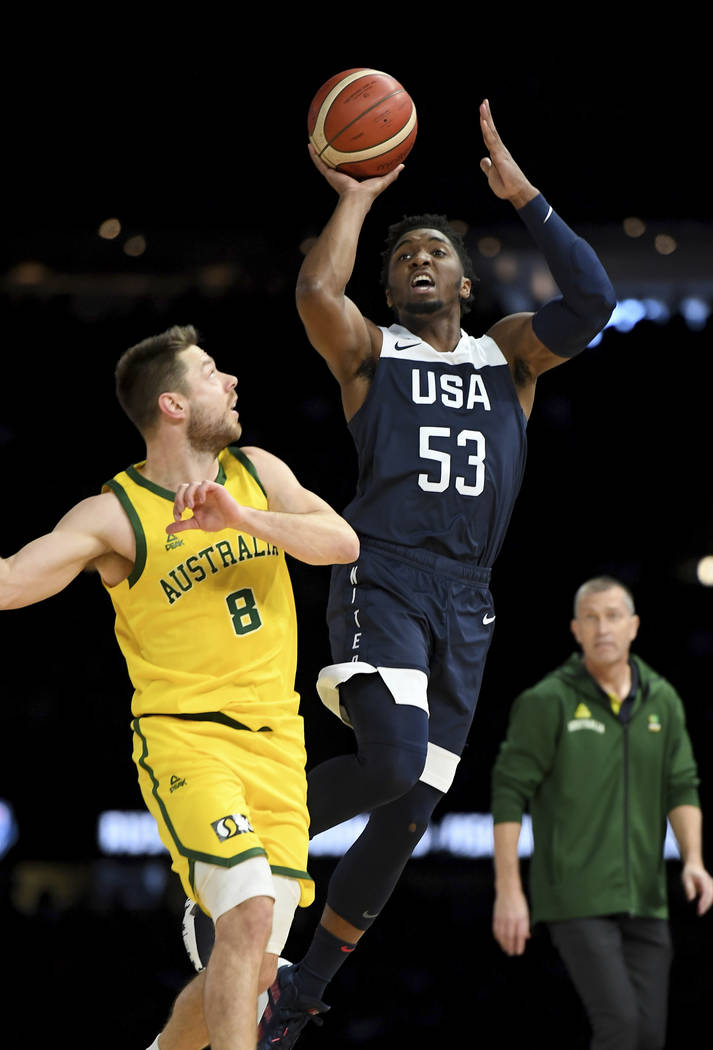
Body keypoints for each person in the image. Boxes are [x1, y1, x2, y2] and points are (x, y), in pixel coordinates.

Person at [250, 98, 617, 1047]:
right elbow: (315, 299)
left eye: (436, 251)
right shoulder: (372, 353)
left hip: (470, 601)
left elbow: (593, 304)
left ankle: (300, 991)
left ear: (464, 278)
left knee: (406, 813)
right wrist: (360, 199)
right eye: (403, 254)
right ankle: (246, 850)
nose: (419, 259)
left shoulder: (511, 356)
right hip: (389, 575)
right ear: (393, 283)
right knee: (391, 759)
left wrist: (527, 196)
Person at [0, 324, 359, 1050]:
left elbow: (342, 544)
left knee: (254, 966)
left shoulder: (258, 471)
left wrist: (242, 517)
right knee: (250, 913)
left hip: (278, 745)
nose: (230, 382)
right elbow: (9, 583)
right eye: (210, 372)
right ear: (171, 404)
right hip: (187, 739)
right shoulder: (115, 514)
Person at [491, 576, 713, 1049]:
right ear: (575, 629)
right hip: (575, 896)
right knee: (620, 1026)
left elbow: (682, 785)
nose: (602, 627)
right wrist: (508, 890)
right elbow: (509, 794)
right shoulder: (546, 701)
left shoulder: (663, 699)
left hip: (647, 896)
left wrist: (693, 859)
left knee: (649, 1036)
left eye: (613, 616)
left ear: (633, 626)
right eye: (590, 618)